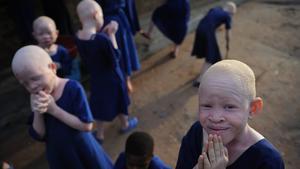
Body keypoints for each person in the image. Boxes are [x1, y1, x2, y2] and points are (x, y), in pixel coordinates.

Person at [11, 45, 113, 169]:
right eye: (25, 83)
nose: (32, 87)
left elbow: (86, 125)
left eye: (35, 78)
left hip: (81, 150)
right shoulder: (34, 96)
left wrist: (54, 110)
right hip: (59, 155)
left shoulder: (72, 89)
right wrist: (38, 111)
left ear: (53, 68)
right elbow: (40, 134)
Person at [175, 60, 285, 169]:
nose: (215, 118)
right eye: (207, 106)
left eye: (229, 107)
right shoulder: (196, 132)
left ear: (252, 108)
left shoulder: (267, 161)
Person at [75, 0, 138, 143]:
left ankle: (100, 134)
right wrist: (112, 35)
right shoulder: (102, 39)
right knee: (120, 100)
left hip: (96, 78)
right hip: (113, 78)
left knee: (99, 104)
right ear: (96, 14)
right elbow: (115, 58)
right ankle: (125, 124)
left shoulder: (78, 36)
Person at [95, 0, 141, 93]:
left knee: (124, 50)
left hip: (122, 20)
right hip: (106, 22)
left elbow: (129, 5)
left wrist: (135, 25)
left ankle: (127, 78)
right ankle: (119, 79)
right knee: (112, 52)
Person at [192, 2, 237, 88]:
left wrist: (214, 28)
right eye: (233, 14)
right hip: (207, 32)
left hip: (199, 28)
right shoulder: (227, 16)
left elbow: (209, 18)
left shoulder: (216, 9)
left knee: (211, 52)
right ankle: (199, 80)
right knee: (211, 56)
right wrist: (228, 44)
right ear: (231, 12)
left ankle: (206, 73)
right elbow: (228, 34)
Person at [32, 16, 81, 81]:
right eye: (41, 34)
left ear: (56, 33)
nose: (46, 37)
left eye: (49, 33)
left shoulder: (61, 51)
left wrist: (60, 65)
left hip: (61, 80)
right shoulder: (35, 53)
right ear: (35, 35)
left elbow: (69, 67)